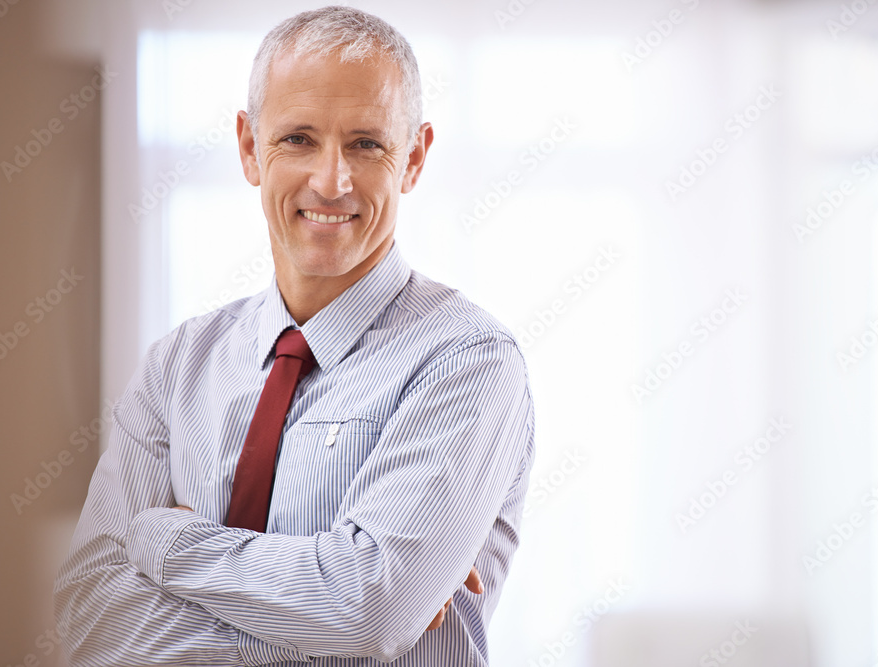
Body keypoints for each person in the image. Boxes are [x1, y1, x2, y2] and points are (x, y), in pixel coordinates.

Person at [54, 6, 535, 665]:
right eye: (299, 139)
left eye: (366, 143)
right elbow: (87, 618)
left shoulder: (469, 362)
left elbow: (368, 610)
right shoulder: (176, 367)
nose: (331, 181)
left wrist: (163, 539)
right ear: (250, 148)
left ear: (415, 158)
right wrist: (322, 602)